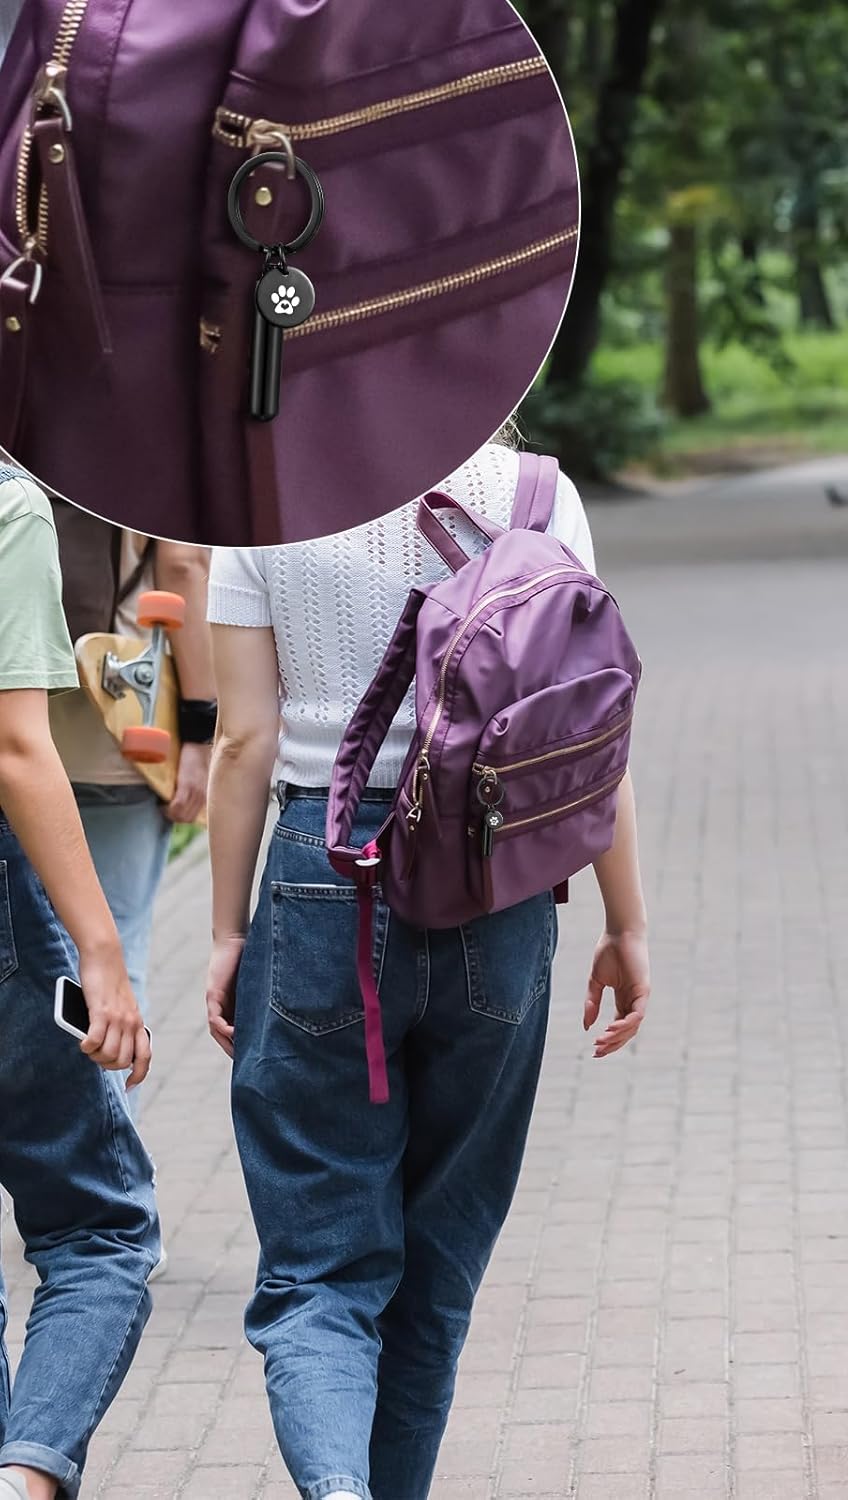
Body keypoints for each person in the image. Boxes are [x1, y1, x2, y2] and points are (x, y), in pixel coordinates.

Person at [203, 439, 651, 1500]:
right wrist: (626, 922)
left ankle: (336, 1489)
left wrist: (227, 932)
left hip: (323, 874)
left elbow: (242, 741)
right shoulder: (540, 496)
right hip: (496, 888)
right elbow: (591, 734)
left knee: (319, 1269)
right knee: (436, 1268)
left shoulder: (262, 484)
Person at [0, 468, 158, 1500]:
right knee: (99, 1227)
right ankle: (26, 1474)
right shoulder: (7, 504)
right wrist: (100, 951)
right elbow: (15, 747)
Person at [48, 528, 215, 1108]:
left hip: (18, 717)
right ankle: (104, 1176)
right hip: (117, 720)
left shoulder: (22, 434)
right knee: (114, 965)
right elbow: (182, 561)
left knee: (30, 962)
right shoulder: (146, 438)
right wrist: (200, 725)